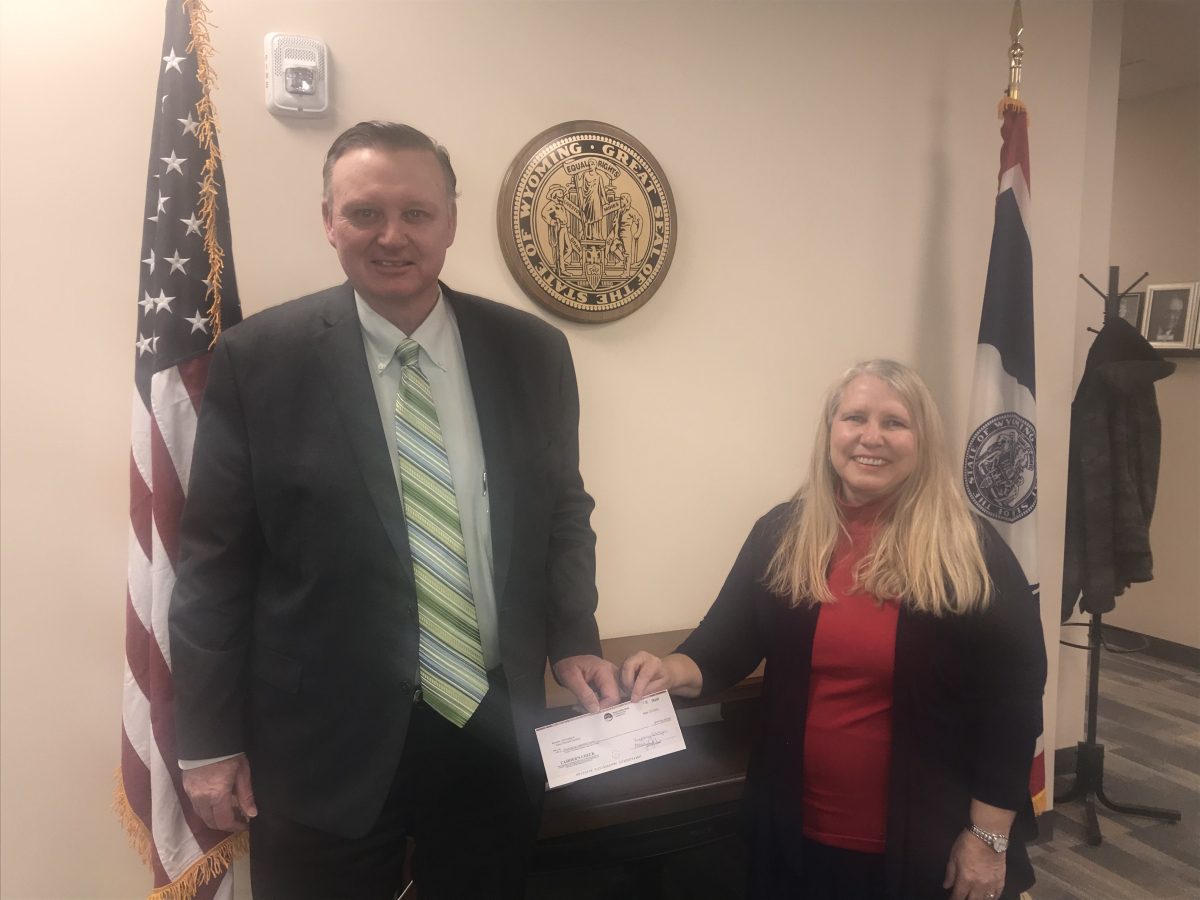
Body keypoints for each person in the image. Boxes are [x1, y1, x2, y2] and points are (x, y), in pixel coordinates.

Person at [169, 121, 620, 900]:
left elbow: (562, 511)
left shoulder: (531, 351)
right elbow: (214, 565)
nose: (391, 237)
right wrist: (207, 741)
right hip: (322, 747)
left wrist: (573, 638)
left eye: (416, 213)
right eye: (364, 213)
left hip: (489, 727)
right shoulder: (258, 360)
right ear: (328, 221)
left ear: (449, 221)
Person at [621, 360, 1046, 900]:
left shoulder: (968, 549)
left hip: (927, 842)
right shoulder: (784, 532)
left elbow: (1014, 707)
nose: (872, 437)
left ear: (923, 440)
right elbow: (723, 645)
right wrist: (668, 669)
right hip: (794, 831)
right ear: (831, 434)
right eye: (855, 418)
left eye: (895, 422)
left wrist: (989, 839)